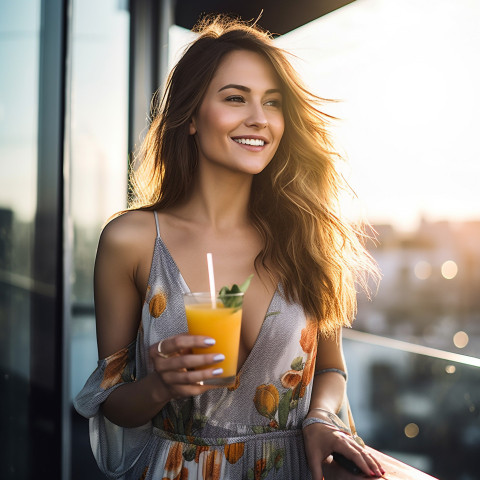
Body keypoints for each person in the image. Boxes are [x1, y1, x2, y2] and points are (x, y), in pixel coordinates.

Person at [75, 15, 384, 480]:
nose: (259, 118)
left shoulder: (306, 236)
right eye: (236, 98)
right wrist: (159, 387)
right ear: (193, 116)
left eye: (272, 103)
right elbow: (112, 401)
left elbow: (331, 369)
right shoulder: (132, 240)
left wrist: (320, 418)